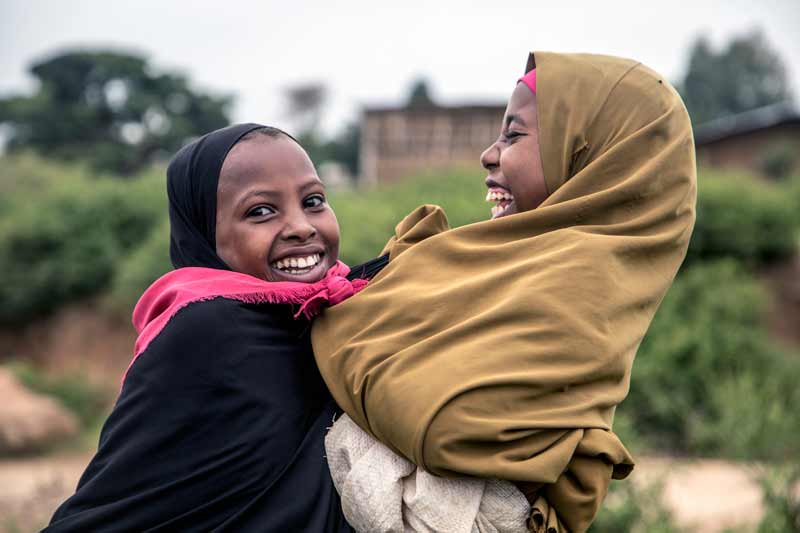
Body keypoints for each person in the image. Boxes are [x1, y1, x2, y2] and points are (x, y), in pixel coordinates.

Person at [313, 51, 697, 532]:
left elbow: (445, 428)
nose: (488, 154)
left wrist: (343, 329)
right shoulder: (498, 261)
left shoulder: (576, 286)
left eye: (513, 134)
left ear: (587, 154)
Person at [45, 123, 366, 532]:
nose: (301, 226)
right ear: (204, 235)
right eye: (260, 211)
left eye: (314, 201)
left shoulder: (338, 307)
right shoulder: (210, 330)